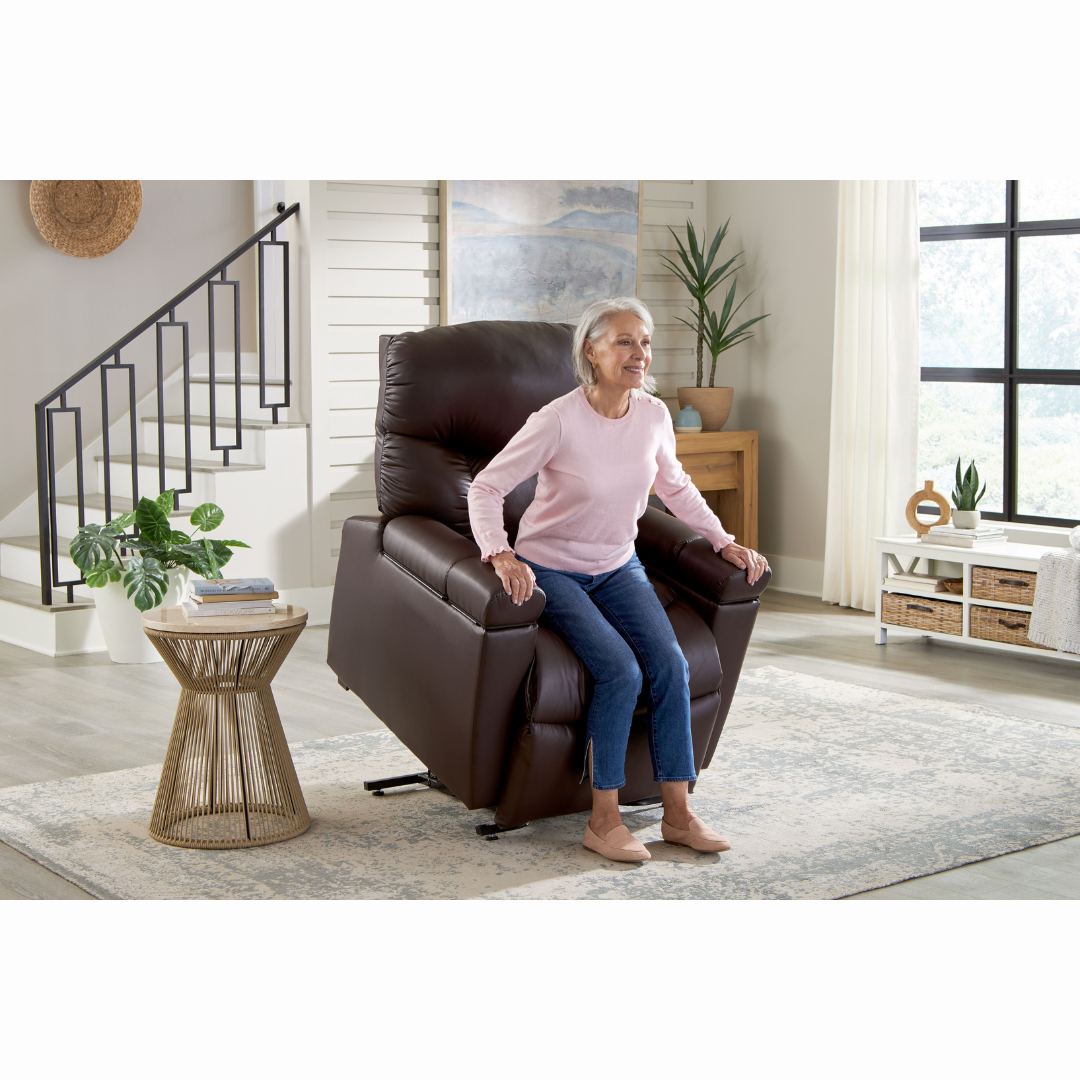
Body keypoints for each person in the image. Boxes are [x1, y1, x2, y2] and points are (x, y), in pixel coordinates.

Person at [467, 297, 768, 862]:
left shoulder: (653, 416)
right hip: (553, 567)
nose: (640, 353)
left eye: (645, 342)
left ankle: (677, 814)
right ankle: (603, 822)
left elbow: (675, 487)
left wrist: (723, 540)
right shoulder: (557, 419)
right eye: (625, 341)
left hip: (617, 566)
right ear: (592, 350)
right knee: (619, 670)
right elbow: (485, 487)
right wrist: (500, 555)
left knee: (672, 665)